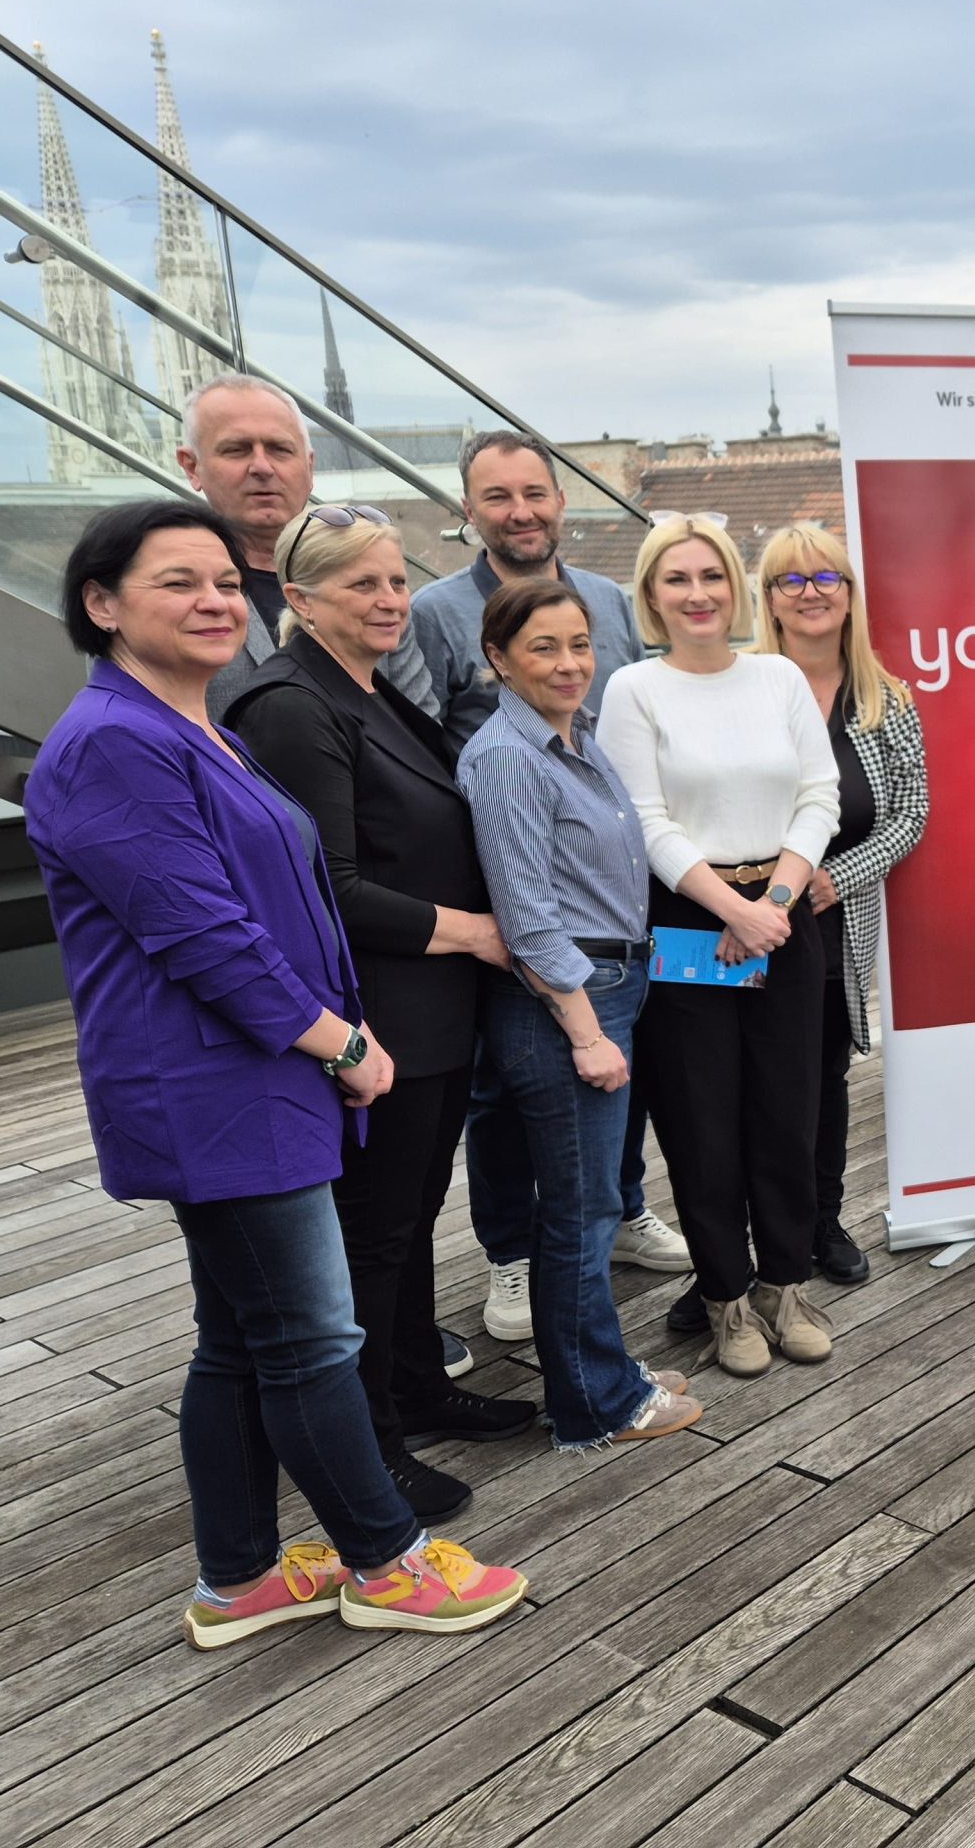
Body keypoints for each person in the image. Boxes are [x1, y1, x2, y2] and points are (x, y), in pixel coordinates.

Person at [26, 499, 523, 1646]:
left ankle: (239, 1578)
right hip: (215, 1089)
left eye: (221, 582)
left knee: (242, 1342)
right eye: (176, 583)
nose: (212, 601)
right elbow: (203, 935)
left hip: (253, 1077)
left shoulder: (192, 725)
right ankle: (386, 1564)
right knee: (311, 1340)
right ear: (102, 605)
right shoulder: (111, 744)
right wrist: (339, 1039)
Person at [224, 506, 538, 1527]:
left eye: (398, 579)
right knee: (373, 1233)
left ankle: (415, 1387)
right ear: (301, 598)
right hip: (379, 1014)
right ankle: (372, 1448)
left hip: (431, 1012)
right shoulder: (290, 705)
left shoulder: (369, 688)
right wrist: (474, 932)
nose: (391, 599)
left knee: (408, 1219)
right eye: (362, 583)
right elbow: (329, 885)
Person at [408, 431, 687, 1343]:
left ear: (562, 501)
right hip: (514, 889)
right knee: (505, 1097)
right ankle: (513, 1255)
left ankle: (624, 1208)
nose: (520, 512)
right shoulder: (436, 613)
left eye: (535, 493)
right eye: (497, 497)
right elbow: (415, 746)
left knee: (608, 1103)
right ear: (468, 511)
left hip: (607, 883)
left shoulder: (607, 600)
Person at [457, 579, 703, 1446]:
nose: (569, 664)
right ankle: (595, 1403)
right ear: (498, 658)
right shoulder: (508, 757)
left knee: (588, 1200)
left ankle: (601, 1370)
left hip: (610, 982)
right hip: (566, 1000)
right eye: (544, 648)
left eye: (580, 644)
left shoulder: (577, 737)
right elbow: (527, 917)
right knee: (582, 1209)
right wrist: (587, 1032)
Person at [601, 517, 842, 1376]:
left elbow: (820, 794)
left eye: (711, 576)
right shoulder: (634, 689)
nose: (697, 593)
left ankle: (784, 1284)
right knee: (701, 1121)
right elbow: (644, 819)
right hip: (686, 919)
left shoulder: (777, 676)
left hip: (782, 913)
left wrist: (771, 904)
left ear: (735, 588)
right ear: (651, 596)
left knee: (788, 1112)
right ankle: (726, 1297)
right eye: (677, 579)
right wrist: (731, 911)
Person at [749, 523, 930, 1288]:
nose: (811, 593)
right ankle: (736, 1248)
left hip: (832, 927)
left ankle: (821, 1223)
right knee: (742, 1088)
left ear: (851, 596)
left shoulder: (887, 701)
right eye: (791, 580)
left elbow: (912, 812)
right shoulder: (742, 690)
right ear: (769, 600)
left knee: (822, 1082)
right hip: (742, 925)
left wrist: (836, 878)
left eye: (827, 578)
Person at [176, 373, 433, 721]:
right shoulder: (169, 594)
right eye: (236, 450)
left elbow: (420, 723)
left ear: (310, 467)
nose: (262, 467)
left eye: (280, 449)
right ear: (192, 467)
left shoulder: (378, 585)